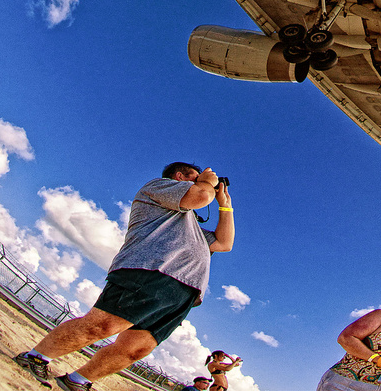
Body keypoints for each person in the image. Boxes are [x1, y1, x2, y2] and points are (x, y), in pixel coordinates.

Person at [13, 162, 234, 391]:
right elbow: (199, 197)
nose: (203, 182)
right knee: (101, 326)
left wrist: (225, 206)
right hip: (150, 271)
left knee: (136, 348)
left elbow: (224, 243)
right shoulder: (159, 187)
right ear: (179, 177)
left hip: (183, 291)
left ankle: (78, 380)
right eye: (195, 178)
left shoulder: (190, 222)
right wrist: (206, 182)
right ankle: (36, 357)